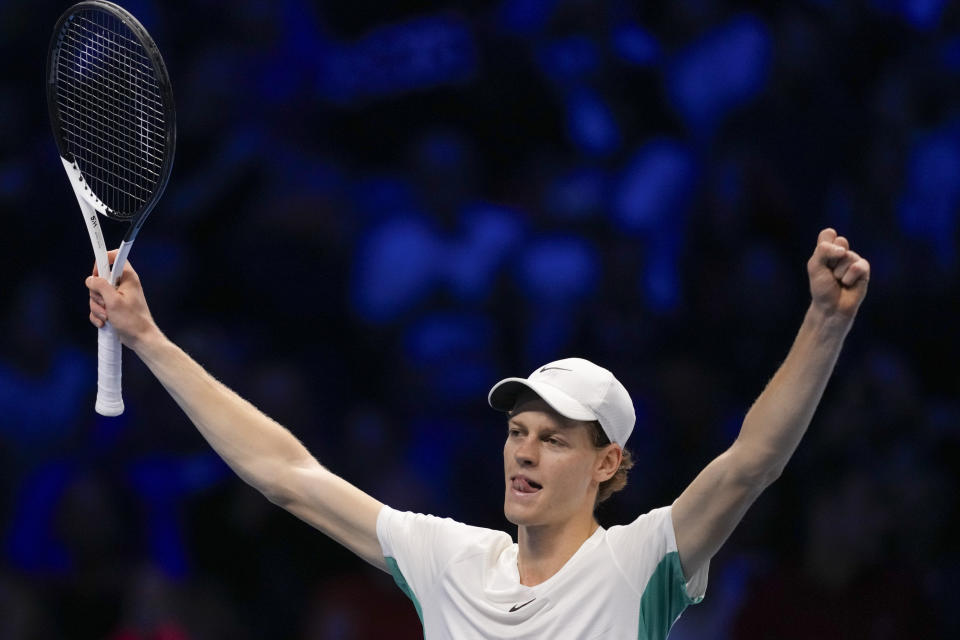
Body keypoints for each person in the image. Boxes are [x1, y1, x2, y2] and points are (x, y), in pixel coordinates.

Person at [85, 228, 870, 639]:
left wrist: (824, 325)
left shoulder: (639, 565)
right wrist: (150, 339)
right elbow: (286, 474)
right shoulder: (451, 560)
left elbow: (749, 464)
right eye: (518, 431)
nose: (524, 451)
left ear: (609, 465)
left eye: (554, 439)